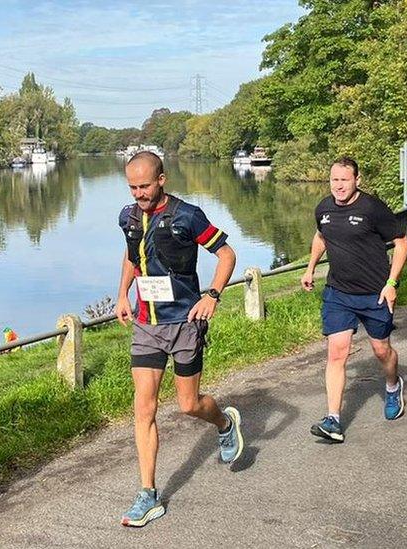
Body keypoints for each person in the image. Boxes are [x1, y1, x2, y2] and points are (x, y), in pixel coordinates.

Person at [115, 151, 244, 527]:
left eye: (144, 186)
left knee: (189, 405)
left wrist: (213, 295)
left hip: (184, 321)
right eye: (132, 187)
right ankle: (148, 494)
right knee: (145, 409)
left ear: (162, 179)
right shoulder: (127, 216)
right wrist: (123, 293)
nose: (138, 193)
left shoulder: (188, 216)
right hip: (146, 325)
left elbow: (226, 254)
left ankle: (223, 423)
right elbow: (131, 256)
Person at [301, 157, 407, 443]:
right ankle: (333, 420)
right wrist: (311, 268)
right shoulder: (324, 208)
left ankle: (391, 385)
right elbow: (321, 237)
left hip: (375, 292)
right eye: (334, 179)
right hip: (338, 293)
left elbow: (401, 242)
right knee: (337, 352)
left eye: (344, 180)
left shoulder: (372, 208)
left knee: (381, 351)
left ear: (357, 180)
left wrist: (391, 283)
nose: (338, 186)